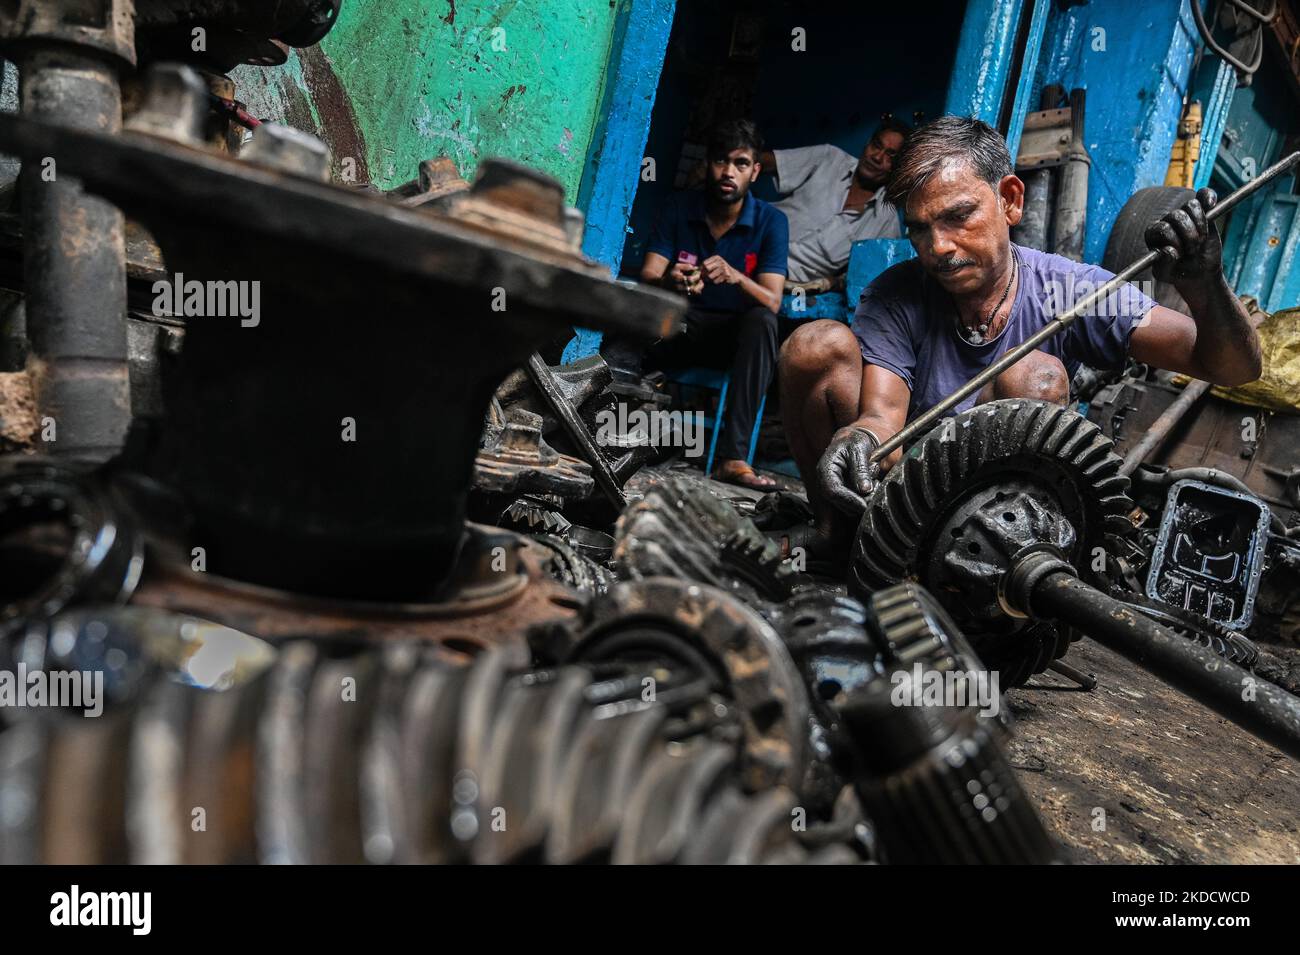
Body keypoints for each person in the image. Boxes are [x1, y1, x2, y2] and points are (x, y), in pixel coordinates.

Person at [778, 115, 1261, 555]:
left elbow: (1235, 369)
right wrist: (858, 439)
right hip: (897, 481)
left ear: (1010, 200)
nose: (939, 247)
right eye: (920, 230)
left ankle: (990, 561)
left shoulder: (1073, 289)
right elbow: (883, 417)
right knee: (812, 345)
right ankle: (835, 534)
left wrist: (1205, 284)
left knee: (1036, 375)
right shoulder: (897, 294)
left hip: (990, 506)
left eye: (957, 216)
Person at [615, 118, 789, 490]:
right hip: (683, 328)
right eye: (721, 161)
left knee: (762, 322)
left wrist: (736, 276)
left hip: (733, 342)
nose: (729, 172)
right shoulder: (681, 207)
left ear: (755, 171)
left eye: (741, 164)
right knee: (639, 307)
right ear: (707, 164)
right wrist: (672, 280)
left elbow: (773, 300)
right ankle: (608, 426)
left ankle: (734, 458)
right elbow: (649, 273)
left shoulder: (771, 221)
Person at [759, 117, 911, 286]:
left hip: (785, 280)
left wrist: (832, 282)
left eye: (890, 155)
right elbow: (765, 162)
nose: (877, 157)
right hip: (752, 243)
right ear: (867, 144)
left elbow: (869, 276)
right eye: (876, 145)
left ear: (898, 168)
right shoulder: (829, 158)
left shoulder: (886, 223)